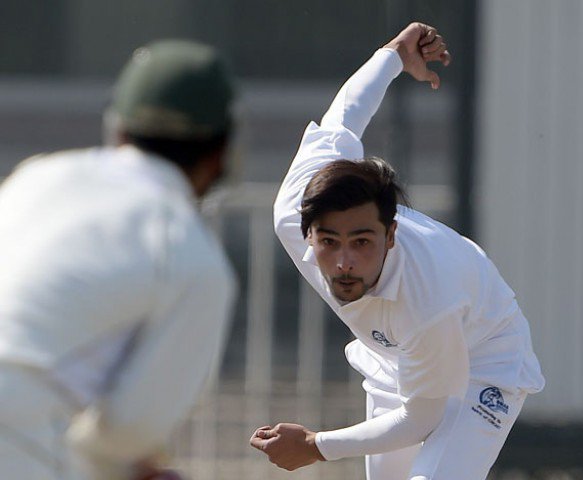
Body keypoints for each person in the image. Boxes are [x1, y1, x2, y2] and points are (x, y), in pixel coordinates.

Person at [250, 22, 544, 480]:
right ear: (307, 233)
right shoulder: (292, 210)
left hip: (483, 362)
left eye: (362, 242)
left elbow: (422, 418)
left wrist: (316, 446)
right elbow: (343, 119)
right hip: (400, 357)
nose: (344, 263)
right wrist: (392, 55)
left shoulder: (429, 295)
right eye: (329, 242)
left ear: (391, 235)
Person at [0, 40, 237, 480]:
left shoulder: (37, 176)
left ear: (118, 128)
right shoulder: (190, 253)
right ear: (221, 153)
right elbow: (131, 430)